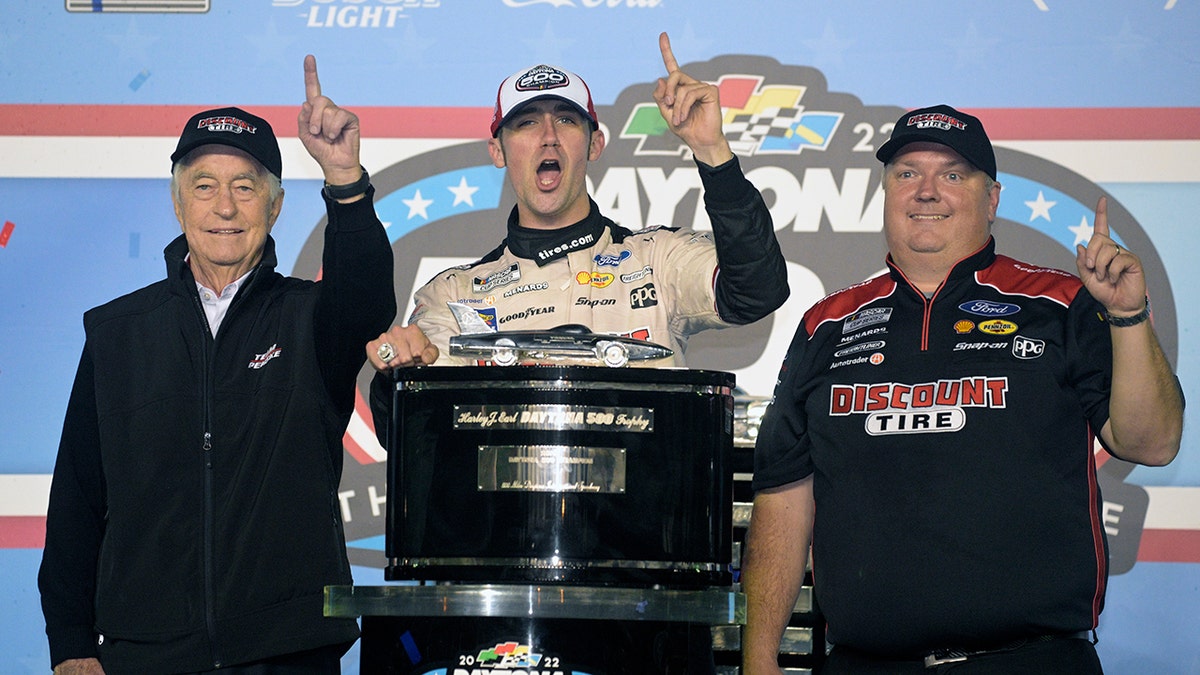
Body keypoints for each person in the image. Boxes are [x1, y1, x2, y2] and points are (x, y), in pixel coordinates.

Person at [740, 104, 1183, 674]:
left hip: (1028, 662)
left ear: (992, 198)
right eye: (907, 173)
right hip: (860, 664)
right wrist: (757, 658)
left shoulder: (1063, 304)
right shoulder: (823, 325)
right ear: (886, 191)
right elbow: (782, 497)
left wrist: (1126, 315)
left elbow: (1152, 444)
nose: (926, 191)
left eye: (952, 174)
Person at [38, 56, 396, 674]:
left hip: (288, 653)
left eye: (245, 187)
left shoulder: (313, 319)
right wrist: (70, 642)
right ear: (178, 204)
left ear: (276, 207)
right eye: (204, 186)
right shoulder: (115, 330)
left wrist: (343, 176)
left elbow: (367, 300)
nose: (224, 207)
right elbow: (77, 495)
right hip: (143, 654)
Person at [364, 32, 787, 371]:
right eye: (526, 122)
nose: (548, 135)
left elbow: (758, 292)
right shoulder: (453, 294)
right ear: (498, 152)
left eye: (566, 120)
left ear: (595, 144)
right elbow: (409, 425)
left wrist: (712, 152)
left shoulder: (657, 260)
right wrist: (402, 369)